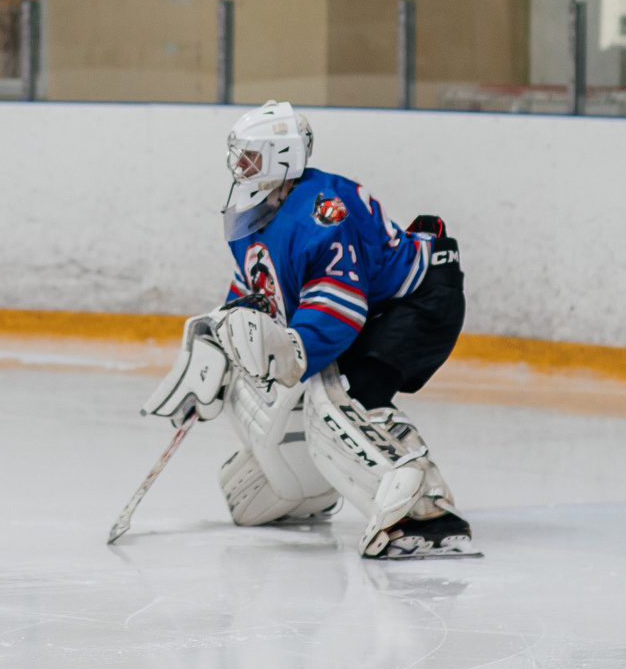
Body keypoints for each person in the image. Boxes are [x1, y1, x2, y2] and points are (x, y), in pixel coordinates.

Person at [143, 101, 476, 559]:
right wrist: (220, 347)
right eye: (238, 156)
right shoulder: (255, 209)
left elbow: (339, 310)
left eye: (251, 157)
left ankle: (427, 513)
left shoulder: (323, 213)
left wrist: (293, 348)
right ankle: (303, 492)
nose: (240, 167)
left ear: (284, 159)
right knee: (295, 392)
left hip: (416, 301)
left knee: (348, 395)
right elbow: (256, 294)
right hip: (374, 308)